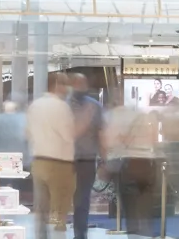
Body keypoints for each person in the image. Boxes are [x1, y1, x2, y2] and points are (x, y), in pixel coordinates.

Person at [104, 90, 164, 238]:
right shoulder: (145, 118)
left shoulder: (117, 117)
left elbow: (112, 141)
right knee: (146, 206)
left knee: (130, 208)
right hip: (148, 163)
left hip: (130, 163)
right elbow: (154, 140)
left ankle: (134, 234)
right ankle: (147, 232)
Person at [29, 73, 78, 239]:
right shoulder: (61, 107)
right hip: (59, 164)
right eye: (65, 84)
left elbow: (28, 133)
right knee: (59, 210)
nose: (67, 89)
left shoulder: (35, 105)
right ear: (57, 85)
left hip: (38, 161)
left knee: (41, 209)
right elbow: (68, 135)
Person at [69, 71, 107, 236]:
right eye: (78, 84)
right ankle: (60, 229)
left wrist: (104, 157)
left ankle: (80, 232)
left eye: (82, 84)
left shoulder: (95, 107)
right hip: (64, 159)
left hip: (86, 159)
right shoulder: (63, 106)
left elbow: (101, 134)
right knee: (63, 196)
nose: (81, 87)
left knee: (82, 198)